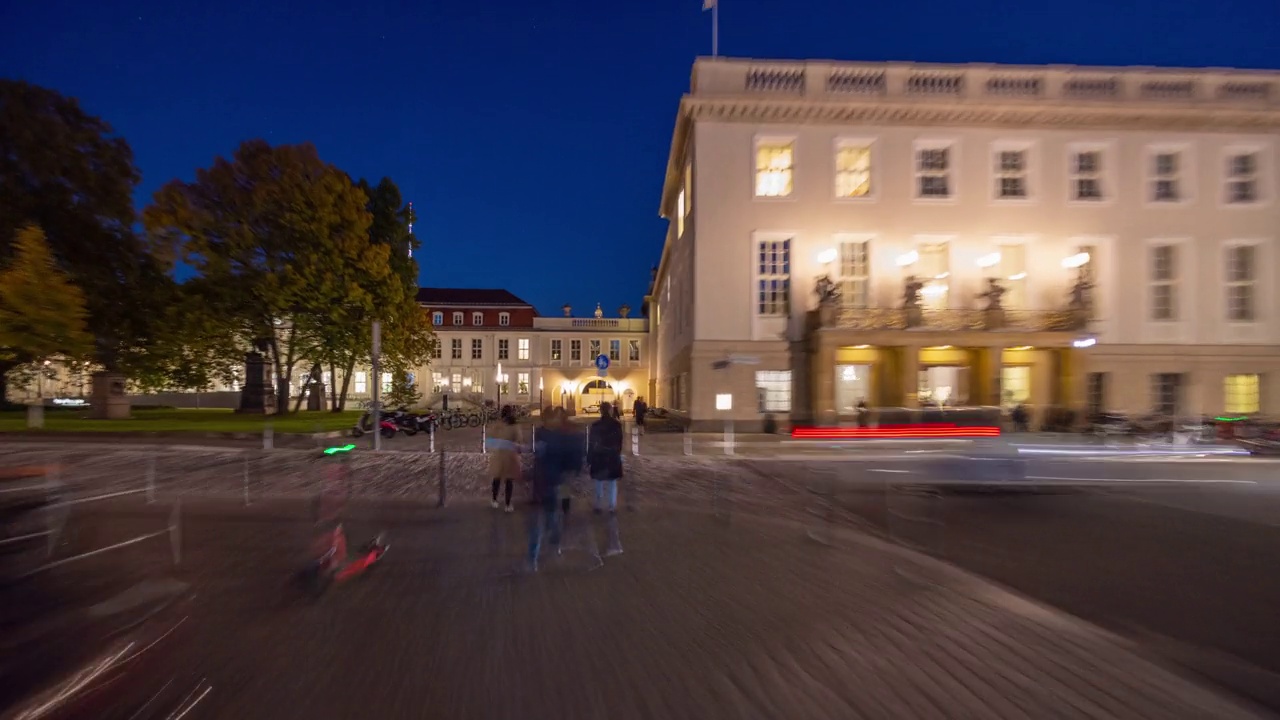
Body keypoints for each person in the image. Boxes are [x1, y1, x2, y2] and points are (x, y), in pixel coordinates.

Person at [526, 407, 584, 572]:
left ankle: (540, 553)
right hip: (548, 481)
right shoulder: (552, 436)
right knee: (544, 519)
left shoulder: (548, 435)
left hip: (549, 481)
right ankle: (539, 554)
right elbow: (566, 458)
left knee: (546, 518)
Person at [588, 401, 624, 516]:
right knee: (612, 482)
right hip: (612, 455)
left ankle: (598, 505)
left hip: (599, 456)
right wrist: (617, 452)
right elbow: (619, 441)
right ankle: (612, 506)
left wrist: (590, 457)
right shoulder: (616, 425)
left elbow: (592, 443)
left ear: (601, 411)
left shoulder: (596, 425)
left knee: (599, 481)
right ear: (610, 410)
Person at [487, 405, 522, 512]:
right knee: (508, 481)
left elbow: (490, 439)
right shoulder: (515, 426)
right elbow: (519, 440)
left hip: (498, 455)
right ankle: (507, 504)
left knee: (497, 479)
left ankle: (494, 500)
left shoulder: (497, 425)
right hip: (509, 455)